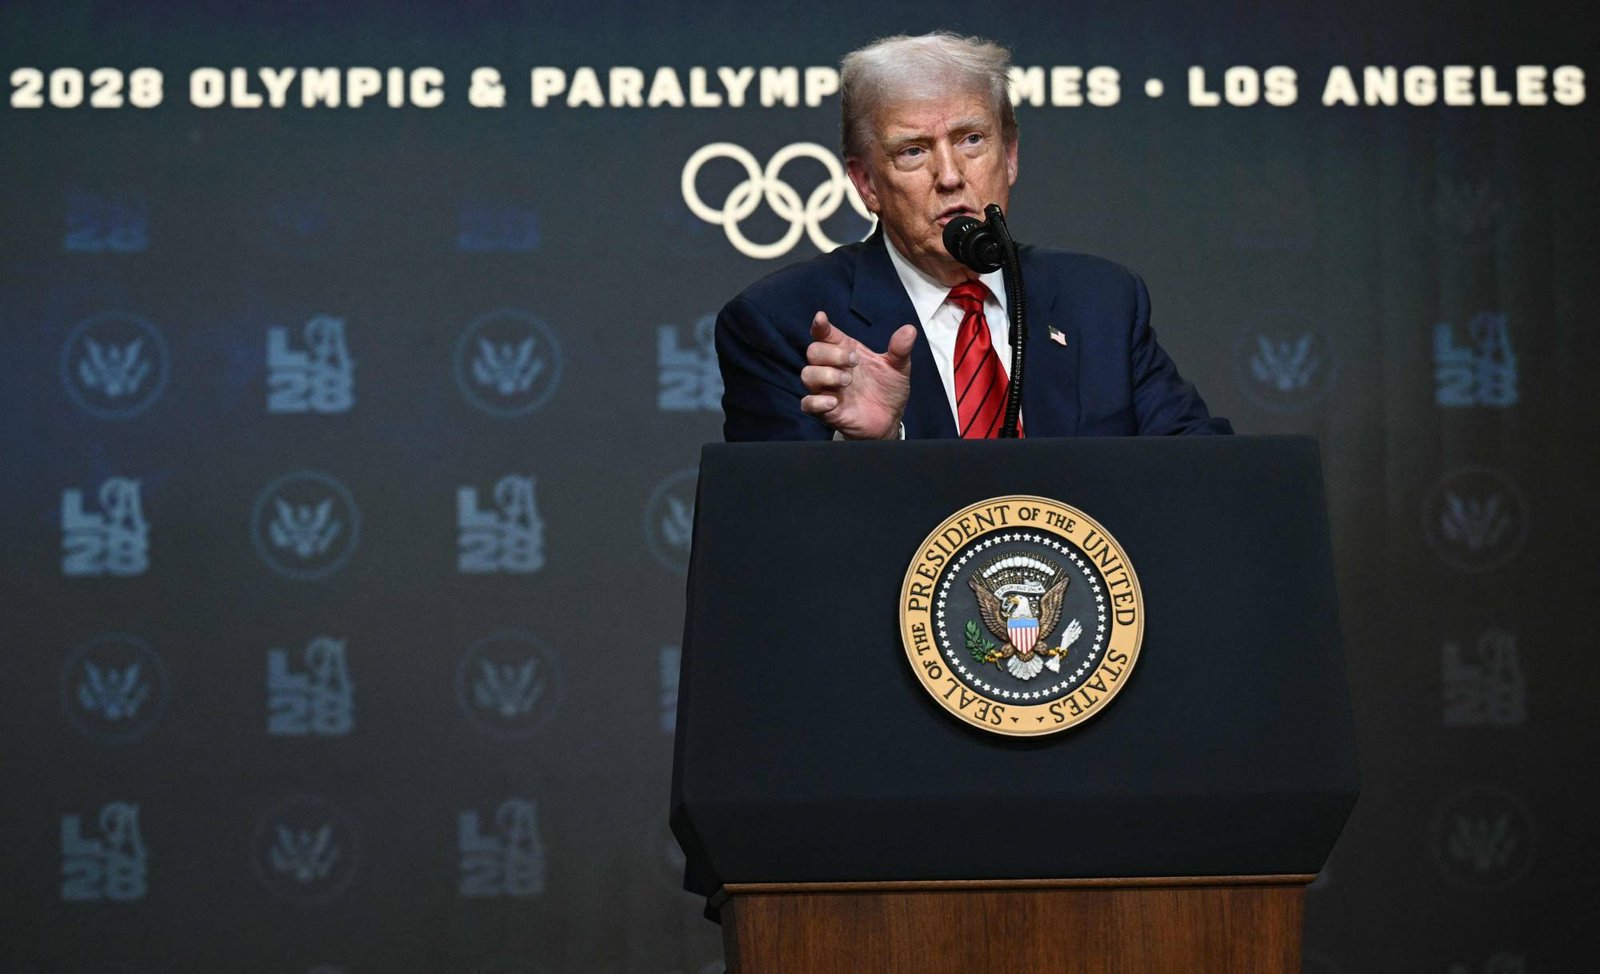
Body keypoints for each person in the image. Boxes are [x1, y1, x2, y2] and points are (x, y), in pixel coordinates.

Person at [715, 31, 1232, 441]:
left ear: (1010, 156)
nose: (950, 176)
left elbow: (1202, 470)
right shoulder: (786, 324)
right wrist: (877, 447)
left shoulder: (1102, 301)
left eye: (971, 140)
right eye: (913, 151)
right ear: (866, 182)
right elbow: (776, 524)